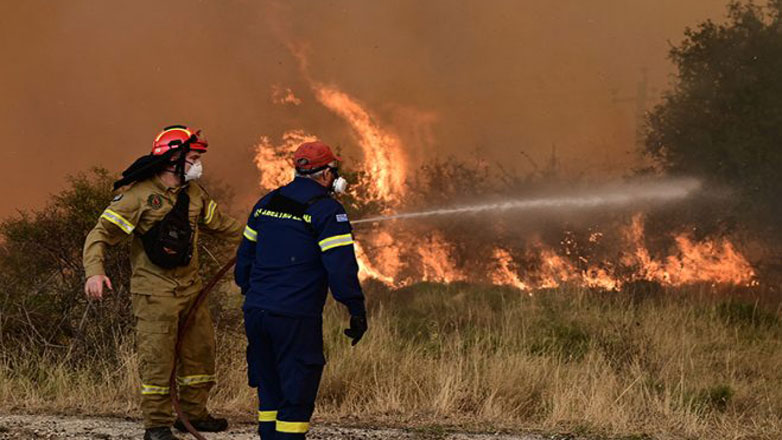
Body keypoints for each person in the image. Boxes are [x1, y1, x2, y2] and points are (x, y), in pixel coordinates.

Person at [83, 125, 244, 440]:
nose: (198, 163)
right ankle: (156, 424)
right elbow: (99, 234)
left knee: (200, 353)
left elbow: (223, 226)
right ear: (174, 157)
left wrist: (264, 232)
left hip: (192, 289)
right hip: (154, 293)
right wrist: (94, 271)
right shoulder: (138, 196)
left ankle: (192, 416)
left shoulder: (194, 194)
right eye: (194, 157)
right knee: (158, 358)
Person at [235, 141, 368, 440]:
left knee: (269, 391)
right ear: (324, 174)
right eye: (334, 171)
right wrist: (355, 308)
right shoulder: (328, 211)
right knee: (296, 393)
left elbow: (244, 259)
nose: (336, 178)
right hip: (294, 316)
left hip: (257, 312)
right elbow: (341, 268)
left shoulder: (266, 203)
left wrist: (252, 293)